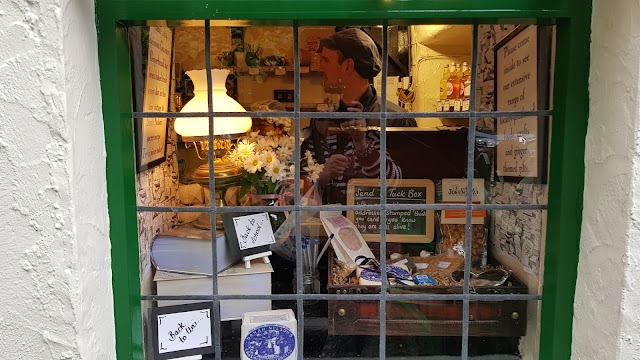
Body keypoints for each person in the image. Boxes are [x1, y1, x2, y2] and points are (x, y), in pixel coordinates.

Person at [301, 28, 417, 204]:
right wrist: (323, 175)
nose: (320, 67)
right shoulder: (321, 122)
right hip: (328, 228)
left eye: (326, 60)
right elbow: (302, 183)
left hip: (379, 227)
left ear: (347, 66)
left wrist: (363, 147)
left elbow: (408, 188)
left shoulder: (396, 120)